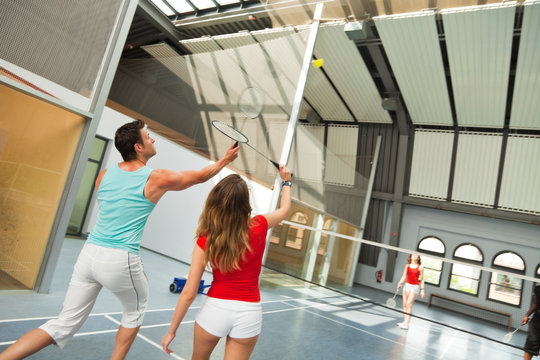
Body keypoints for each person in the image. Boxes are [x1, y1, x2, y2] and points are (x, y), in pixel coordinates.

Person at [0, 119, 238, 360]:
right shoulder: (156, 178)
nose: (152, 139)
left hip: (89, 254)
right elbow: (199, 177)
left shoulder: (103, 175)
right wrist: (225, 161)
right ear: (138, 147)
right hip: (120, 258)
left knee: (62, 324)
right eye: (148, 137)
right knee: (134, 313)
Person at [161, 166, 292, 360]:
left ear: (215, 201)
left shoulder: (206, 239)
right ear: (244, 203)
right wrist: (286, 182)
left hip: (216, 310)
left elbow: (189, 292)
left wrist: (172, 330)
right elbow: (284, 210)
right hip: (249, 313)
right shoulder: (259, 225)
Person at [396, 253, 425, 330]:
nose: (415, 256)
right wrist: (400, 282)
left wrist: (422, 290)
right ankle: (405, 322)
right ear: (411, 256)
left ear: (418, 258)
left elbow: (422, 280)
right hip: (407, 286)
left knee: (409, 304)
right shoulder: (407, 266)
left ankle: (407, 324)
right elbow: (404, 276)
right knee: (405, 305)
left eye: (417, 255)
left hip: (414, 287)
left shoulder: (420, 267)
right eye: (414, 255)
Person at [523, 284, 540, 360]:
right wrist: (527, 315)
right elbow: (535, 304)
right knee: (530, 347)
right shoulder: (537, 288)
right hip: (536, 321)